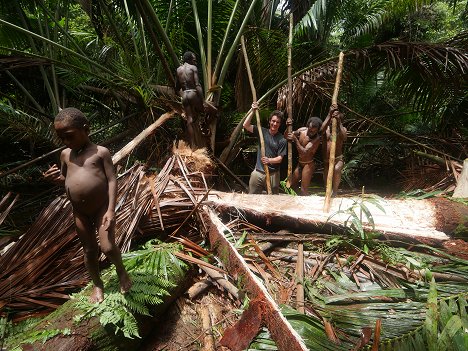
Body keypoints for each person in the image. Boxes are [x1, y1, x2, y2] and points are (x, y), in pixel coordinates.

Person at [44, 107, 131, 303]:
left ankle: (122, 272)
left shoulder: (101, 153)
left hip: (101, 208)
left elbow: (111, 180)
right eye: (61, 138)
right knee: (90, 251)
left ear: (86, 129)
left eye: (69, 136)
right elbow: (67, 178)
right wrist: (55, 179)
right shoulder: (65, 155)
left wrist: (110, 209)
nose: (66, 142)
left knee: (108, 247)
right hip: (80, 213)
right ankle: (97, 285)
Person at [243, 102, 287, 194]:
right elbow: (246, 125)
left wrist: (269, 160)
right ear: (269, 121)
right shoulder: (261, 131)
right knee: (252, 196)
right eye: (273, 121)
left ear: (280, 124)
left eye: (277, 122)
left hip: (273, 174)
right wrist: (252, 111)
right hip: (258, 172)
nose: (275, 124)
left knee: (273, 199)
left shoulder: (282, 139)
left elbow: (280, 159)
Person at [285, 116, 322, 195]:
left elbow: (304, 152)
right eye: (309, 129)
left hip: (308, 164)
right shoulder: (301, 130)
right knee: (290, 186)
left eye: (313, 131)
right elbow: (286, 136)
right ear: (307, 126)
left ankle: (305, 203)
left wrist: (295, 139)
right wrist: (288, 126)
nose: (310, 132)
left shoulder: (317, 139)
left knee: (303, 190)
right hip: (300, 163)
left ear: (317, 130)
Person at [176, 51, 205, 147]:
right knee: (204, 110)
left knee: (189, 120)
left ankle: (192, 145)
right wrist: (203, 100)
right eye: (194, 60)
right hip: (193, 93)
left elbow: (177, 87)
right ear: (189, 59)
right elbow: (198, 85)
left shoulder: (178, 70)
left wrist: (183, 94)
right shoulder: (193, 68)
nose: (195, 62)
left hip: (184, 95)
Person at [321, 104, 347, 196]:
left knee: (336, 169)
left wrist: (339, 123)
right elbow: (321, 130)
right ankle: (327, 191)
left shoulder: (342, 129)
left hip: (338, 158)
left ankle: (335, 191)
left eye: (335, 118)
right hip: (327, 160)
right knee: (327, 175)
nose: (333, 119)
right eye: (332, 118)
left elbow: (344, 138)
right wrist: (329, 114)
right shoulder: (326, 129)